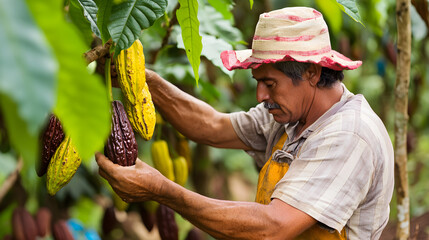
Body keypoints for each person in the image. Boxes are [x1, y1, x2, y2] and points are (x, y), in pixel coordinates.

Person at [96, 6, 394, 240]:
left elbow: (272, 228)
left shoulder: (348, 135)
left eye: (269, 83)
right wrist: (144, 81)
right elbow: (211, 125)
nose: (260, 95)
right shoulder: (289, 114)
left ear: (312, 74)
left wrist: (163, 191)